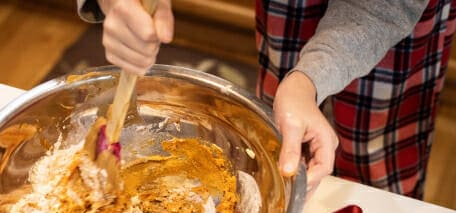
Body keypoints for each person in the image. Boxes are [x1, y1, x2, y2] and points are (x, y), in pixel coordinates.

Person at [76, 0, 456, 199]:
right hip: (292, 9)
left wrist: (311, 77)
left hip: (385, 31)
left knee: (375, 167)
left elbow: (381, 7)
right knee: (284, 129)